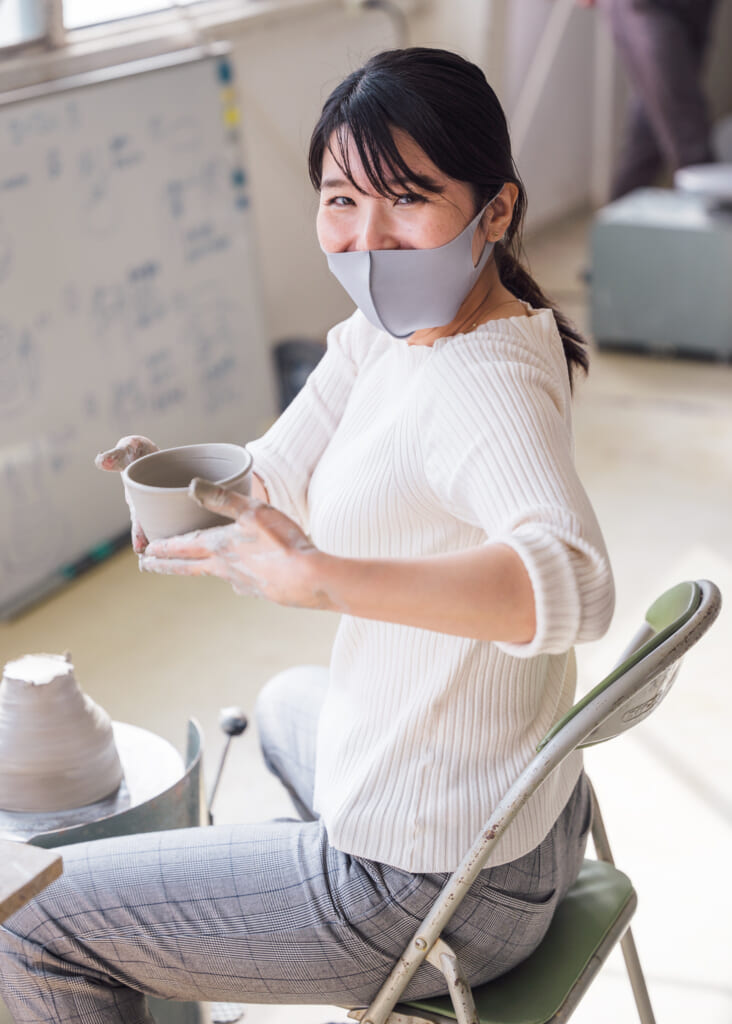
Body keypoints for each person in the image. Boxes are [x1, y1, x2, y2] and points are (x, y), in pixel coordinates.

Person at [0, 48, 614, 1023]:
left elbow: (573, 588)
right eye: (340, 200)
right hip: (512, 818)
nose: (366, 239)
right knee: (289, 695)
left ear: (495, 210)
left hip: (434, 891)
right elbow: (271, 475)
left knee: (28, 923)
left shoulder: (482, 384)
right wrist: (177, 485)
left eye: (407, 201)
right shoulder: (393, 326)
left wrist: (325, 578)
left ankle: (299, 924)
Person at [588, 0, 720, 198]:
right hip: (646, 6)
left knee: (648, 134)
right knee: (690, 139)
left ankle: (615, 223)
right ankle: (714, 218)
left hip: (696, 9)